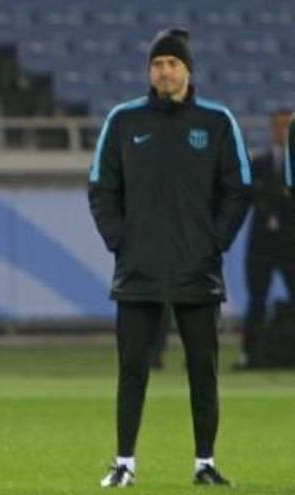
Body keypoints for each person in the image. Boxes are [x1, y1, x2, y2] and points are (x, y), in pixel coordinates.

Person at [89, 28, 251, 487]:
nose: (163, 71)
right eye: (157, 64)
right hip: (137, 268)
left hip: (197, 269)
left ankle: (205, 463)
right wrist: (119, 240)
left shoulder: (217, 122)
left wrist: (214, 243)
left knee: (204, 372)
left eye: (172, 63)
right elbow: (102, 187)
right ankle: (124, 463)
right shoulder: (123, 121)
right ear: (150, 71)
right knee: (132, 372)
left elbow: (238, 190)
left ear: (188, 70)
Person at [240, 110, 295, 367]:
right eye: (279, 126)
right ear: (272, 128)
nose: (282, 131)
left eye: (287, 126)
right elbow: (247, 195)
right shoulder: (258, 163)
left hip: (291, 245)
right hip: (261, 246)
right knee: (257, 300)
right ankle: (251, 352)